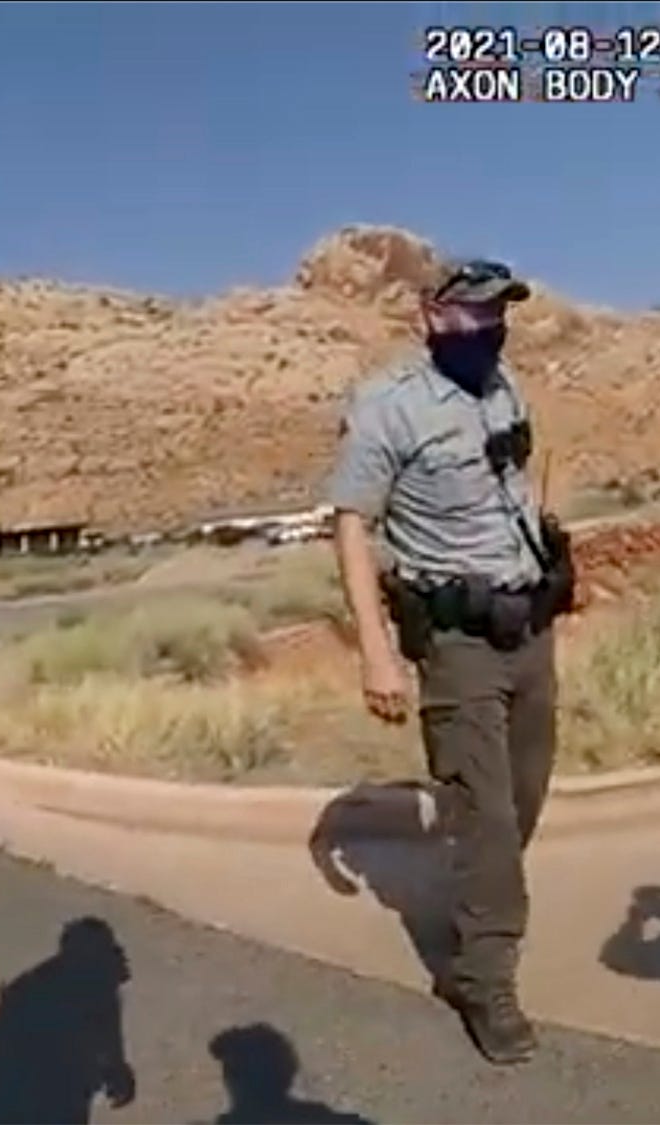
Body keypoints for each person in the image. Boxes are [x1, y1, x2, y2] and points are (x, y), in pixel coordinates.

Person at [326, 258, 575, 1067]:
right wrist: (377, 653)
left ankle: (478, 903)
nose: (488, 328)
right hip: (457, 642)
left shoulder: (506, 386)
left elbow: (519, 480)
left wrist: (550, 549)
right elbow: (354, 525)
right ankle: (485, 979)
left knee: (523, 798)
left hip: (528, 628)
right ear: (429, 316)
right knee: (487, 815)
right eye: (472, 314)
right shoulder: (387, 405)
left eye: (498, 312)